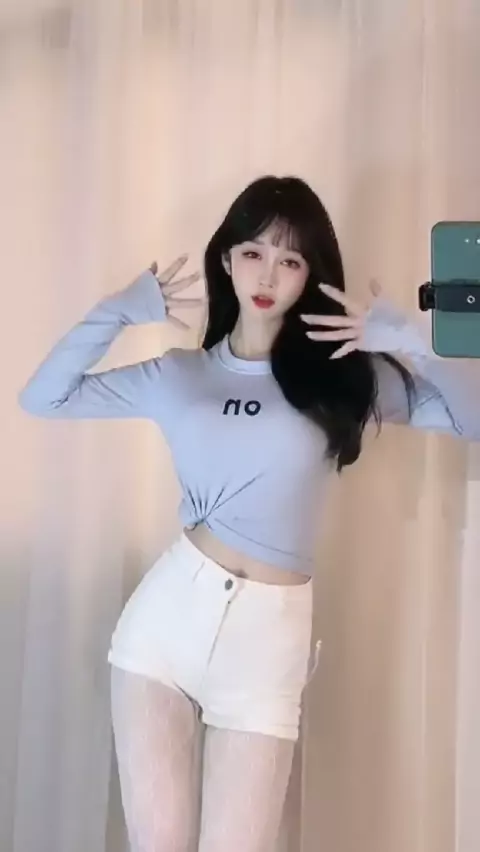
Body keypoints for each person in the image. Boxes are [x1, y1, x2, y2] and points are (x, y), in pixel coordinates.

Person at [19, 175, 480, 852]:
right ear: (227, 258)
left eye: (290, 260)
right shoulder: (179, 375)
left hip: (266, 651)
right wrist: (115, 313)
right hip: (164, 632)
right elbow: (44, 398)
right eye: (255, 252)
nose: (268, 274)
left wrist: (411, 342)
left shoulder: (343, 381)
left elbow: (474, 418)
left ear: (309, 276)